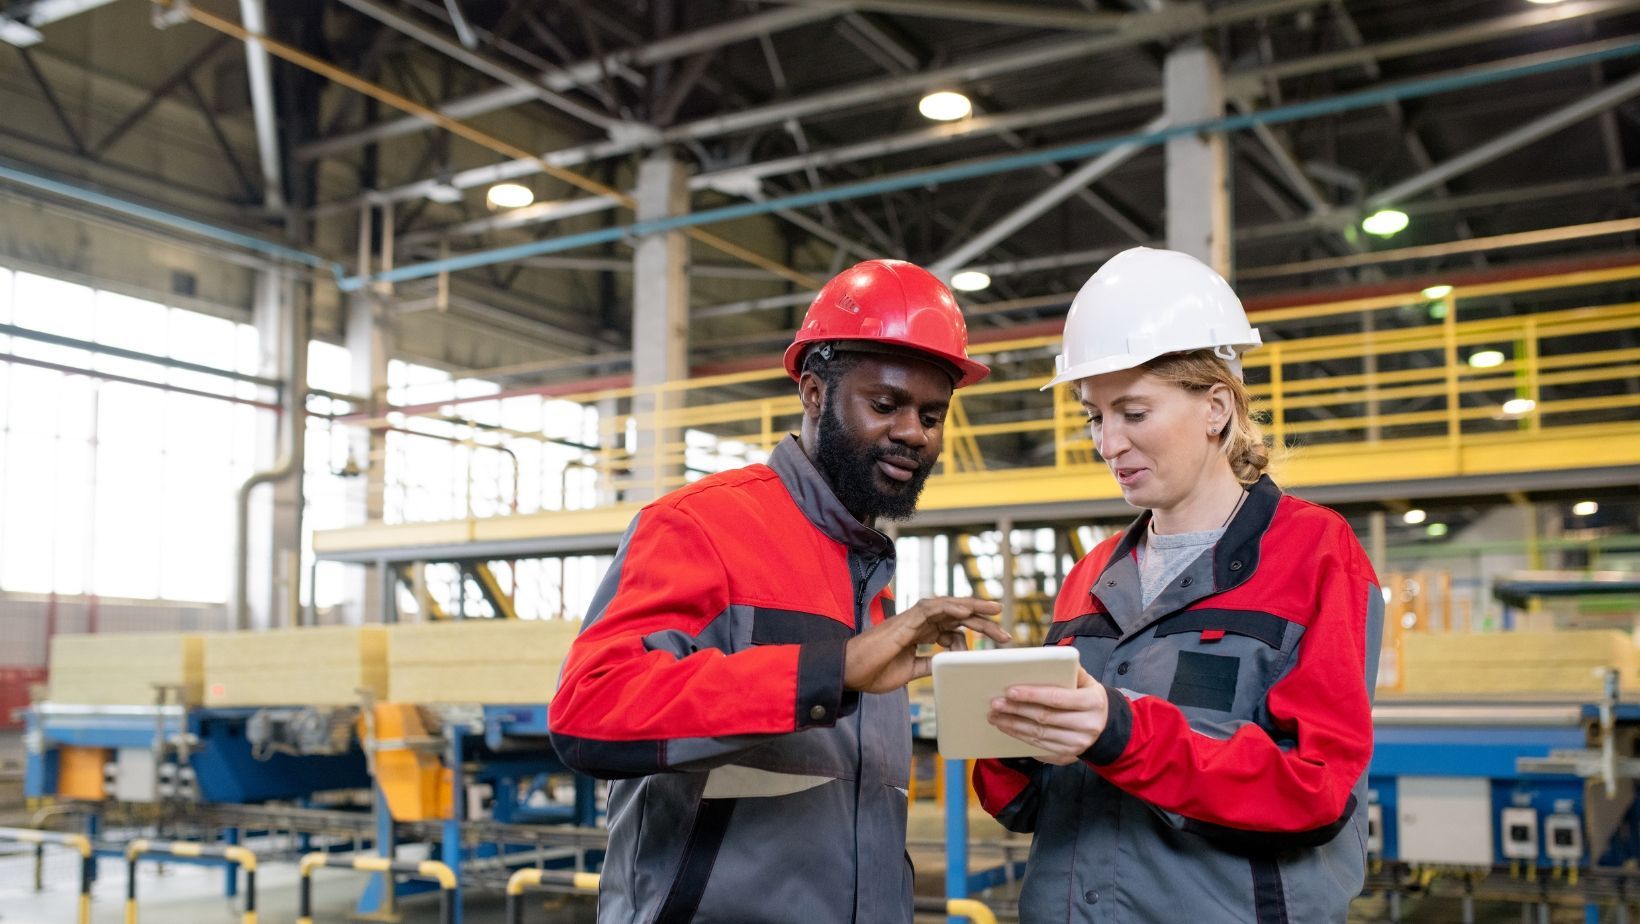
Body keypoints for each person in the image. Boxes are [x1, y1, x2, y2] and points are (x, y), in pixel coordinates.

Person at [549, 259, 1010, 924]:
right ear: (814, 392)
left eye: (932, 415)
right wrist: (832, 670)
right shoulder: (700, 527)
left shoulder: (867, 572)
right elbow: (590, 709)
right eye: (885, 404)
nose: (914, 432)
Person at [975, 247, 1383, 923]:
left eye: (1133, 413)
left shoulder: (1314, 553)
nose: (1108, 443)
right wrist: (1009, 737)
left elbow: (1317, 790)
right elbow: (1027, 807)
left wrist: (1123, 731)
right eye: (1093, 416)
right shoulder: (1092, 575)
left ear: (1216, 407)